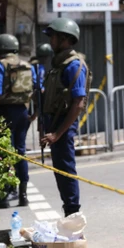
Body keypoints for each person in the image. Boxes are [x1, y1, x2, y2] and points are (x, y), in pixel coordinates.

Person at [40, 17, 90, 217]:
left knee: (66, 171)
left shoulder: (73, 66)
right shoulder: (59, 64)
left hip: (63, 125)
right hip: (54, 122)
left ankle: (73, 214)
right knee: (60, 170)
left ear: (65, 39)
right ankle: (69, 212)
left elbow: (78, 103)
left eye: (53, 37)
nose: (50, 41)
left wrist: (57, 134)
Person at [0, 34, 34, 207]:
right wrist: (33, 114)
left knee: (3, 152)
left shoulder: (0, 65)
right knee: (20, 152)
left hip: (4, 112)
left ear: (0, 49)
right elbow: (36, 89)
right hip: (22, 111)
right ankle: (23, 194)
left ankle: (4, 194)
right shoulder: (28, 65)